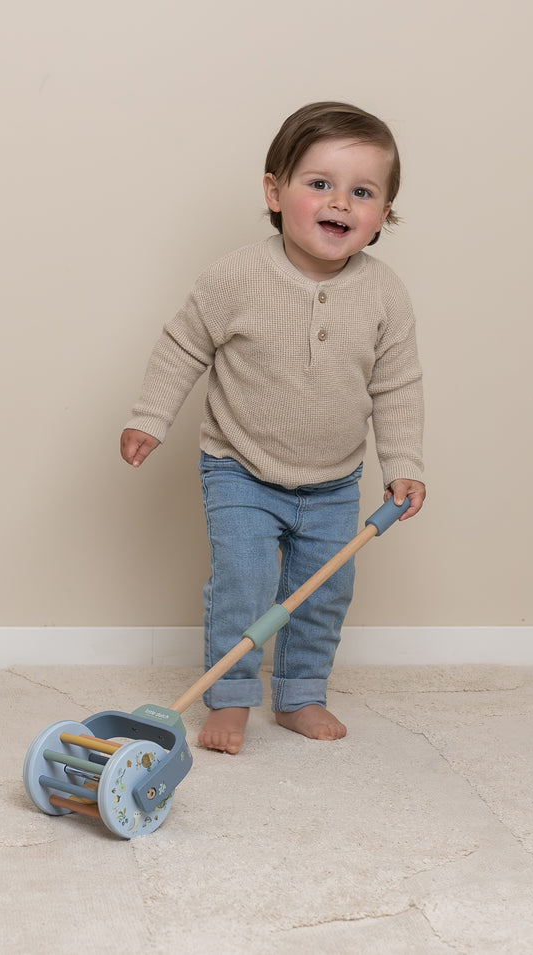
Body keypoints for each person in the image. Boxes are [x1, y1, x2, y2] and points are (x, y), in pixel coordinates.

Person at [121, 102, 426, 754]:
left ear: (382, 215)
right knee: (244, 583)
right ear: (274, 191)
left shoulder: (385, 295)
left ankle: (300, 691)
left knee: (323, 592)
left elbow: (397, 384)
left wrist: (404, 463)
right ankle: (229, 696)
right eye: (319, 183)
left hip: (335, 480)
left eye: (362, 192)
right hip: (240, 465)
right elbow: (182, 346)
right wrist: (151, 417)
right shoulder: (237, 276)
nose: (340, 201)